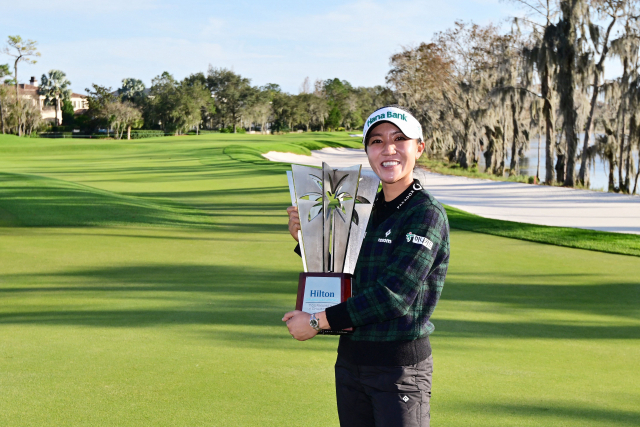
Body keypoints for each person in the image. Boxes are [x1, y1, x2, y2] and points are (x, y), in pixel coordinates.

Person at [283, 105, 450, 427]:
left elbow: (393, 296)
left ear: (419, 147)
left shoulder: (425, 214)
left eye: (399, 139)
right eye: (376, 141)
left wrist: (317, 322)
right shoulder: (363, 209)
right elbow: (345, 276)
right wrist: (306, 239)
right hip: (350, 361)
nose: (388, 149)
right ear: (368, 151)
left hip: (399, 369)